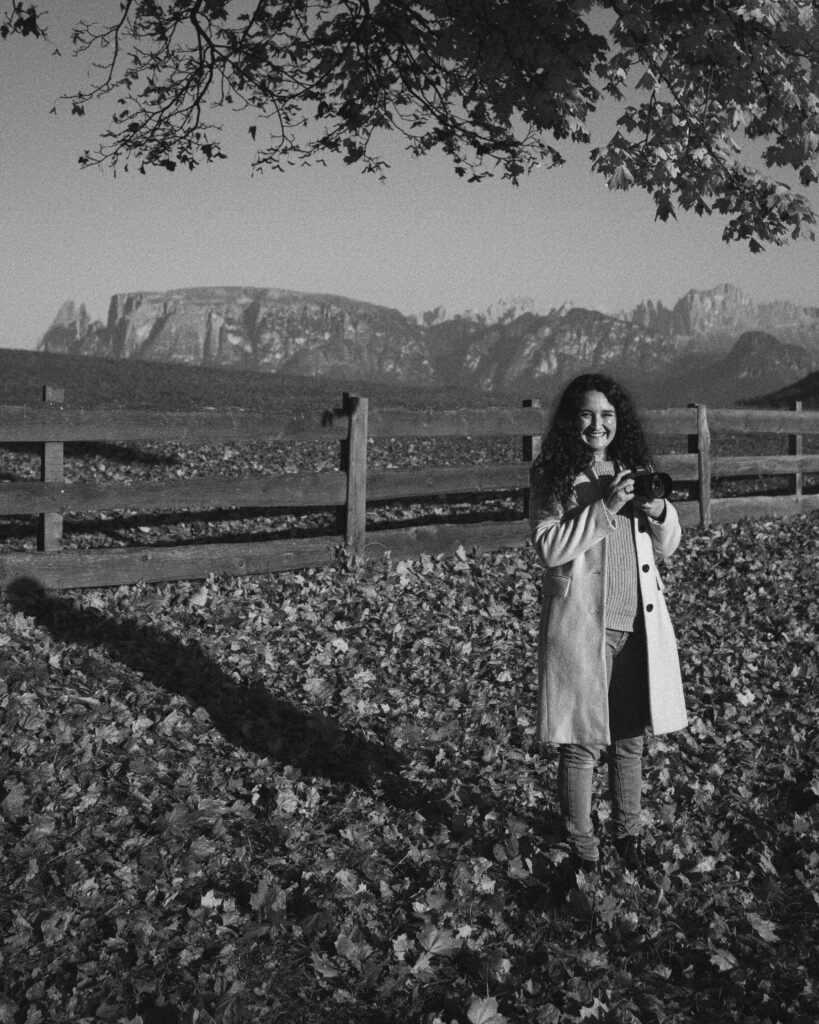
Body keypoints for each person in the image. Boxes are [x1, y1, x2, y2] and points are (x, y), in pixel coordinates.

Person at [528, 373, 687, 873]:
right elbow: (548, 547)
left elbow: (668, 546)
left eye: (608, 415)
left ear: (620, 421)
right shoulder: (552, 476)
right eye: (587, 415)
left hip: (635, 623)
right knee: (580, 744)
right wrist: (605, 507)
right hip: (583, 626)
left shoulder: (632, 469)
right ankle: (583, 848)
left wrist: (658, 510)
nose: (598, 425)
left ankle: (629, 836)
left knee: (629, 740)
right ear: (571, 420)